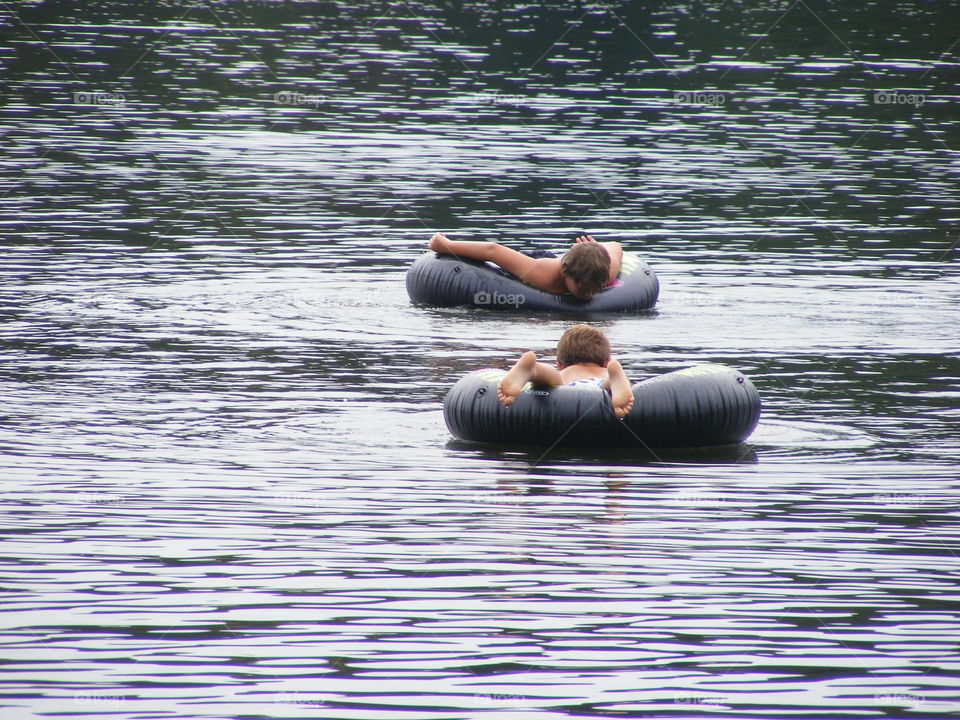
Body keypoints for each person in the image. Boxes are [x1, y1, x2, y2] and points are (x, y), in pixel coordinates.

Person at [427, 232, 623, 301]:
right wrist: (446, 245)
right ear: (565, 274)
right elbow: (492, 251)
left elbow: (616, 246)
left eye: (594, 290)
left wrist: (595, 248)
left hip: (579, 261)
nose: (588, 295)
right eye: (582, 288)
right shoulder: (542, 274)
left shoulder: (603, 274)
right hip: (540, 261)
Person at [496, 324, 634, 418]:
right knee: (607, 384)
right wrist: (611, 375)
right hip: (601, 385)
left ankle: (533, 369)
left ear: (560, 364)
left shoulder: (565, 372)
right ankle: (615, 379)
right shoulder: (604, 371)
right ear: (606, 362)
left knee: (554, 380)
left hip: (567, 389)